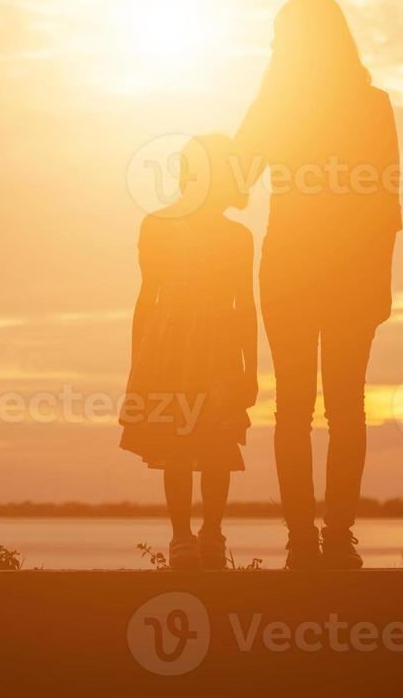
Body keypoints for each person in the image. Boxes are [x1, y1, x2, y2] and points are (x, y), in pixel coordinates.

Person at [235, 0, 401, 571]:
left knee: (299, 411)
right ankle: (328, 539)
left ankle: (309, 540)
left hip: (303, 273)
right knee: (341, 410)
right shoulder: (369, 104)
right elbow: (388, 207)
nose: (274, 48)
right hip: (335, 276)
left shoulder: (282, 105)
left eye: (280, 39)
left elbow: (234, 182)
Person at [119, 134, 258, 570]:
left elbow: (244, 305)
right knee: (175, 443)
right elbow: (147, 296)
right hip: (167, 347)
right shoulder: (156, 226)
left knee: (217, 441)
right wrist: (136, 365)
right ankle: (181, 537)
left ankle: (212, 534)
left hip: (218, 346)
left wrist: (251, 370)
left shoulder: (238, 236)